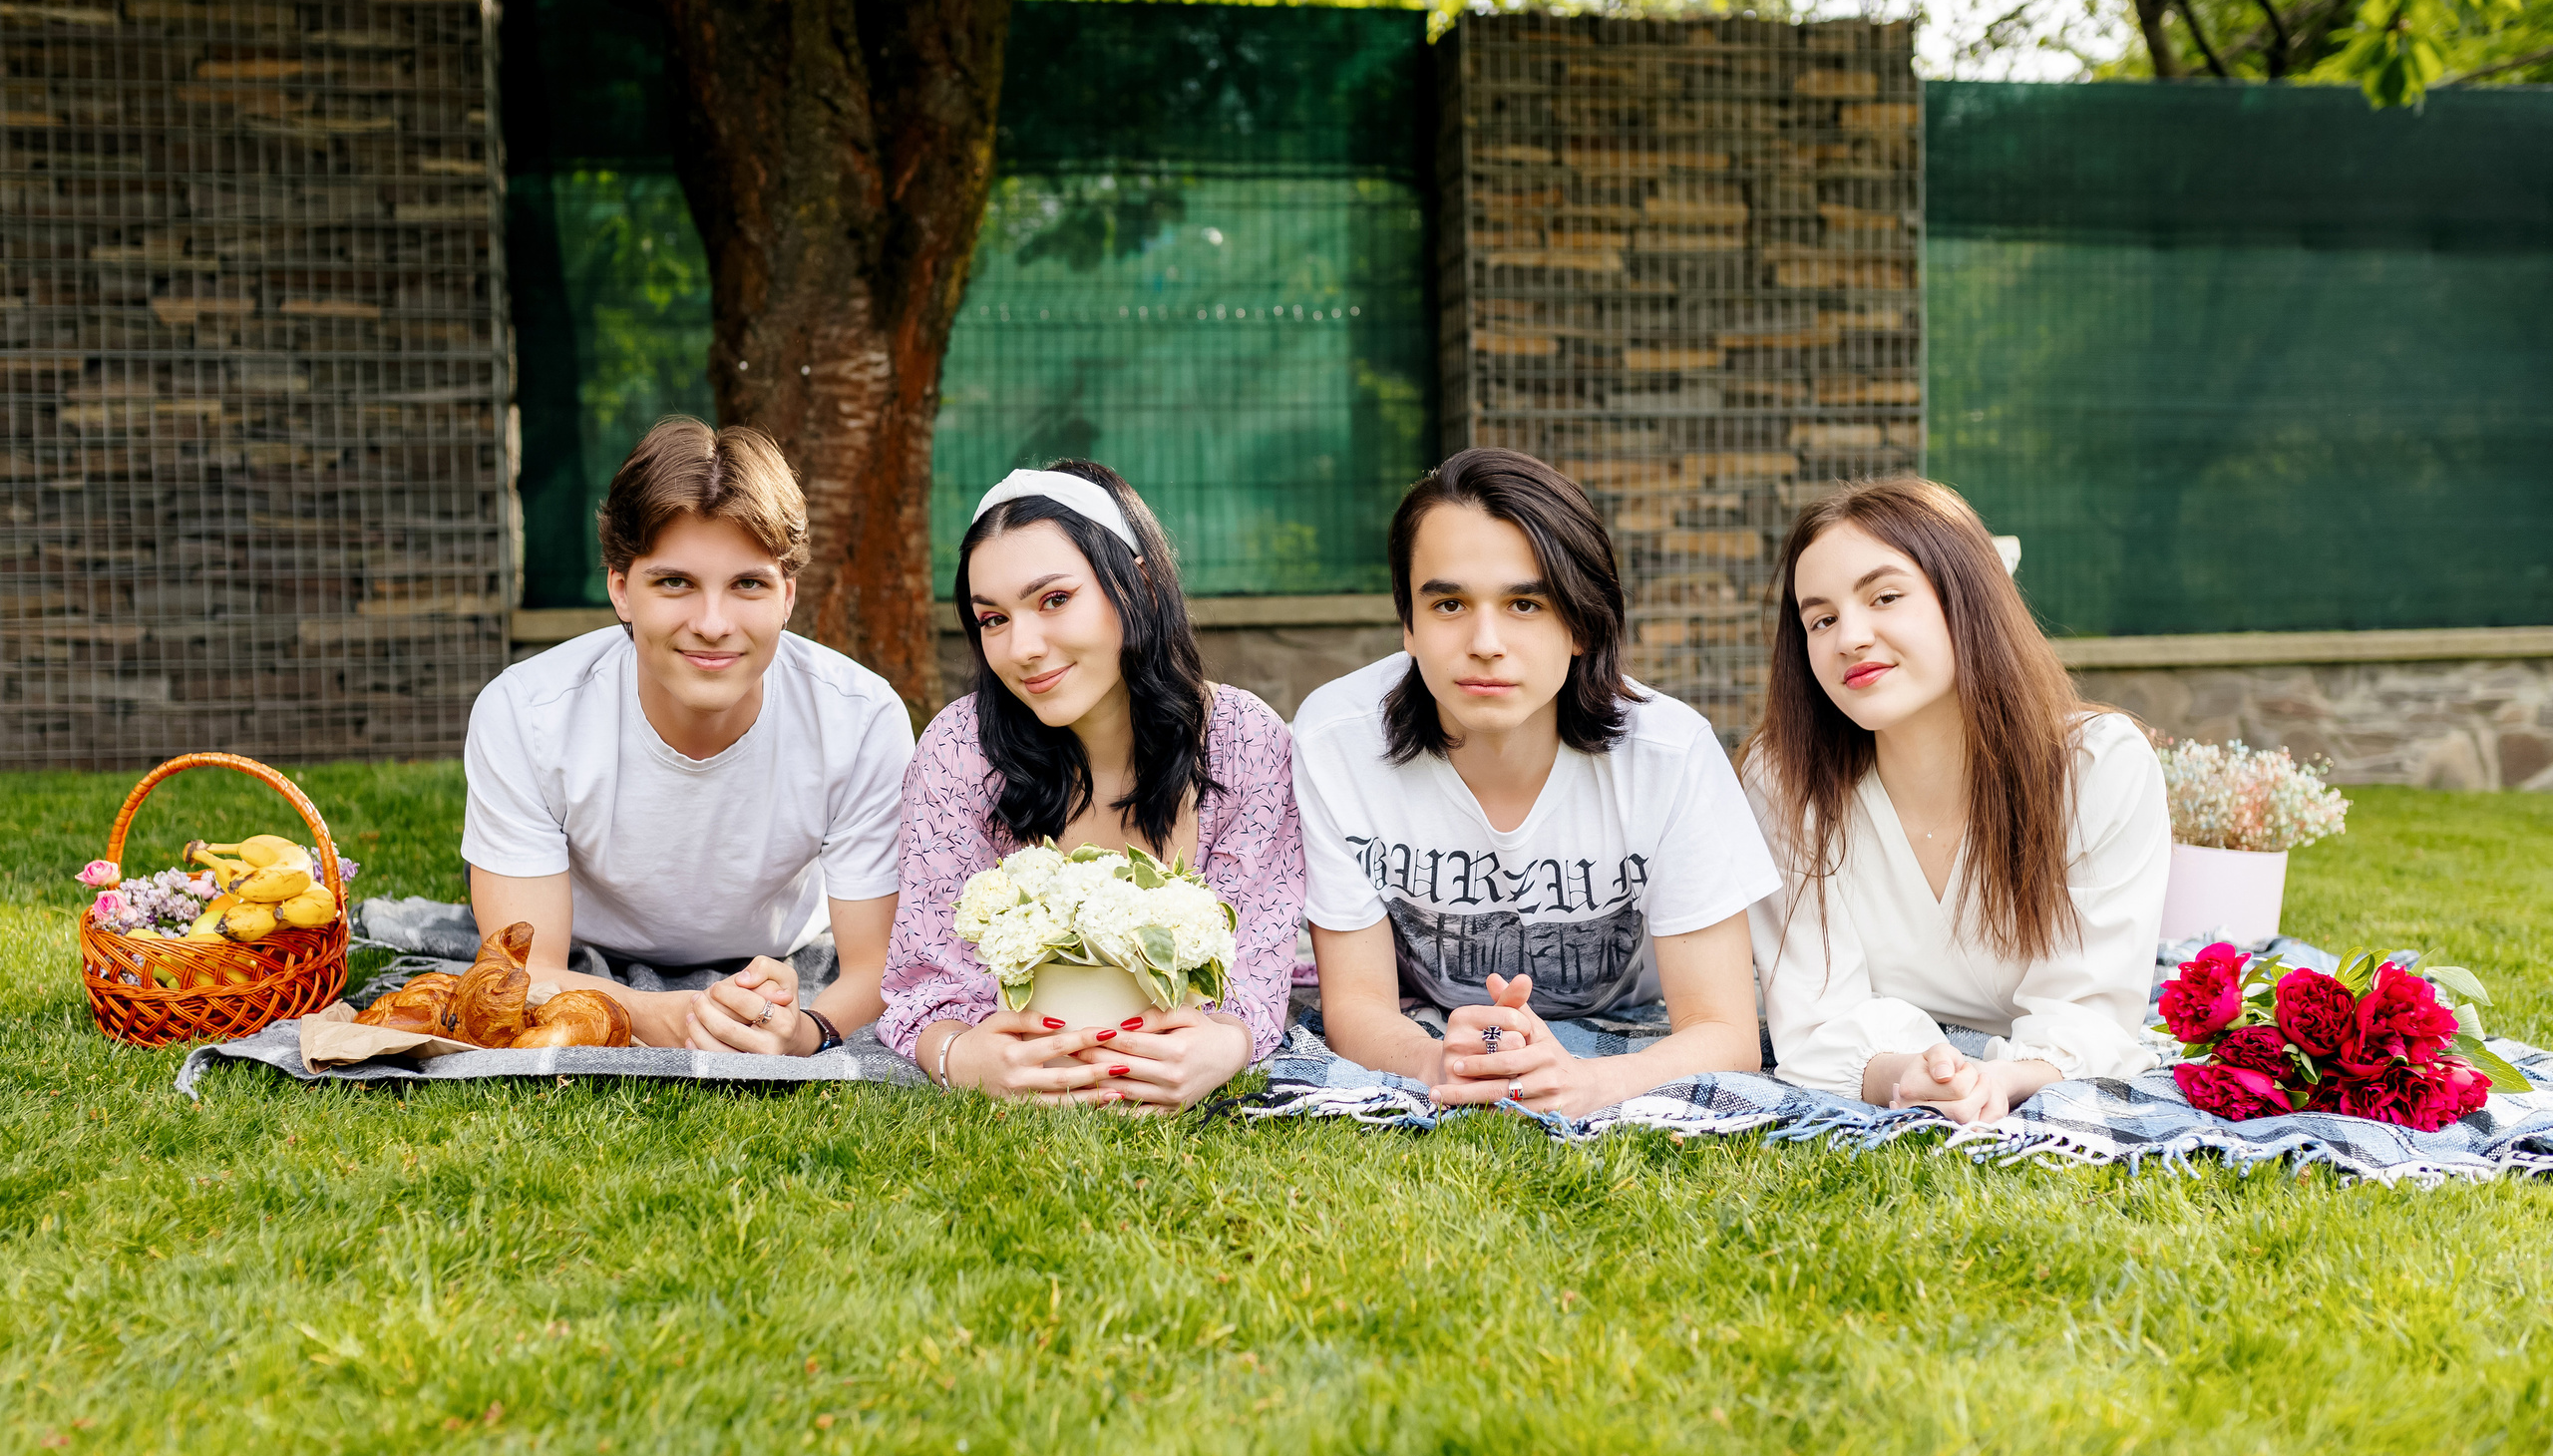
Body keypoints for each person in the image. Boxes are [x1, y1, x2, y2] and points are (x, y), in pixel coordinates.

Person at [1292, 448, 1779, 1119]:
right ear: (1408, 622)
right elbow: (1356, 1005)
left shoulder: (1669, 754)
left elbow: (1725, 1030)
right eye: (1449, 603)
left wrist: (1592, 1083)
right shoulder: (1335, 741)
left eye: (1524, 602)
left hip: (1629, 1019)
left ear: (1580, 622)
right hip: (1437, 1021)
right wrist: (1440, 1061)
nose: (1485, 641)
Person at [461, 417, 912, 1053]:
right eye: (675, 582)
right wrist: (659, 1015)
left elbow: (879, 969)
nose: (712, 623)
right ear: (621, 589)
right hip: (591, 954)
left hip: (782, 951)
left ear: (787, 594)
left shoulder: (861, 719)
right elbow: (522, 973)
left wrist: (808, 1029)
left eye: (747, 584)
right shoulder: (525, 712)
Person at [1743, 477, 2171, 1123]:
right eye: (1821, 618)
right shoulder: (1786, 781)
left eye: (1884, 596)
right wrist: (1912, 1078)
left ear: (1966, 598)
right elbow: (1814, 1017)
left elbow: (2093, 1011)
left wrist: (2000, 1079)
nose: (1849, 638)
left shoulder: (2096, 767)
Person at [880, 461, 1304, 1109]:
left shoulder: (1245, 741)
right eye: (992, 618)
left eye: (1054, 599)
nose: (1022, 646)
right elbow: (925, 984)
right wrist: (964, 1057)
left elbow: (1256, 973)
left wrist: (1223, 1048)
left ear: (1138, 584)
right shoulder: (961, 749)